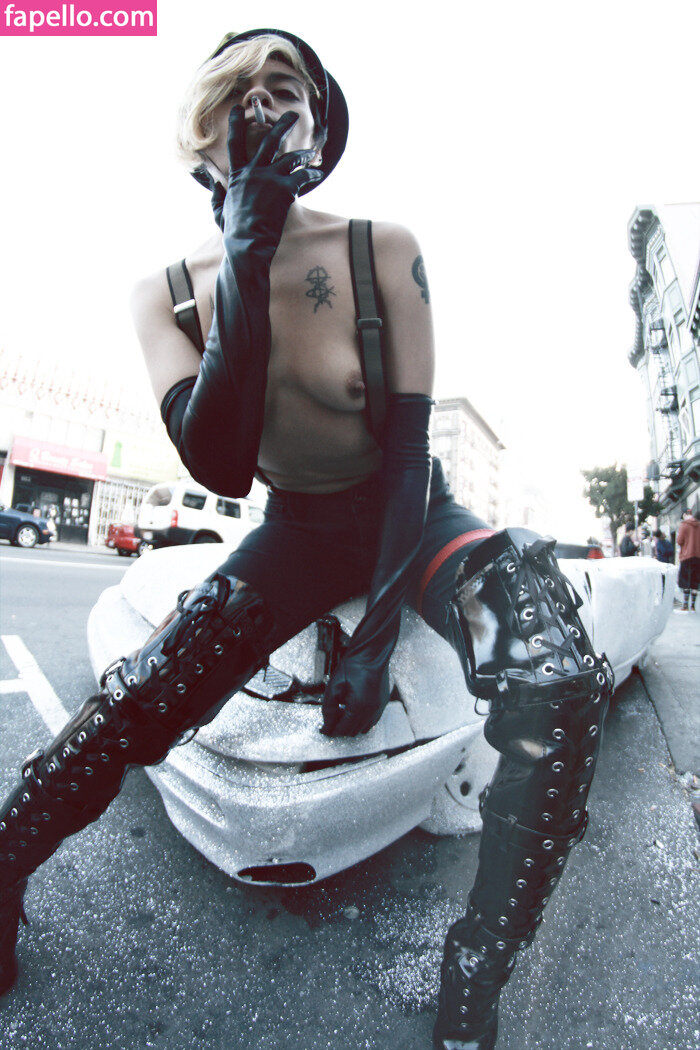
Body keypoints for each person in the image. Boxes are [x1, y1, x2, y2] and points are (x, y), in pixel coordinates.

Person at [0, 29, 614, 1049]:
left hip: (410, 512)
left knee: (554, 668)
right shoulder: (169, 294)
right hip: (294, 526)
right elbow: (220, 466)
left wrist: (374, 639)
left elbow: (408, 453)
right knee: (146, 692)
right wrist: (245, 249)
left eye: (285, 87)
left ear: (320, 125)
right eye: (236, 92)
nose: (262, 105)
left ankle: (479, 959)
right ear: (199, 136)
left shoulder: (383, 249)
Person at [676, 508, 700, 612]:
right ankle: (693, 606)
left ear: (685, 515)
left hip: (686, 556)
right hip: (698, 556)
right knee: (695, 580)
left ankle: (685, 605)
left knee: (685, 580)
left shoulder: (684, 525)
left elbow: (679, 541)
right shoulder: (699, 525)